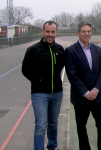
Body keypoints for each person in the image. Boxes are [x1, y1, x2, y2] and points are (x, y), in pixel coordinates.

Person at [65, 21, 101, 150]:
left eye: (88, 31)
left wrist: (95, 90)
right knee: (81, 127)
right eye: (84, 31)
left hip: (97, 97)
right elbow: (72, 75)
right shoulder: (70, 51)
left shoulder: (97, 50)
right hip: (80, 98)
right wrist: (85, 92)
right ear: (78, 33)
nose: (87, 34)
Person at [22, 20, 65, 150]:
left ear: (56, 32)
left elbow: (62, 65)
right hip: (39, 94)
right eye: (47, 31)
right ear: (43, 32)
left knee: (53, 123)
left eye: (53, 32)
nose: (50, 34)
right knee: (41, 125)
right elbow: (25, 69)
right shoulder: (33, 50)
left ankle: (52, 146)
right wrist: (38, 80)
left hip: (57, 92)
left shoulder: (59, 49)